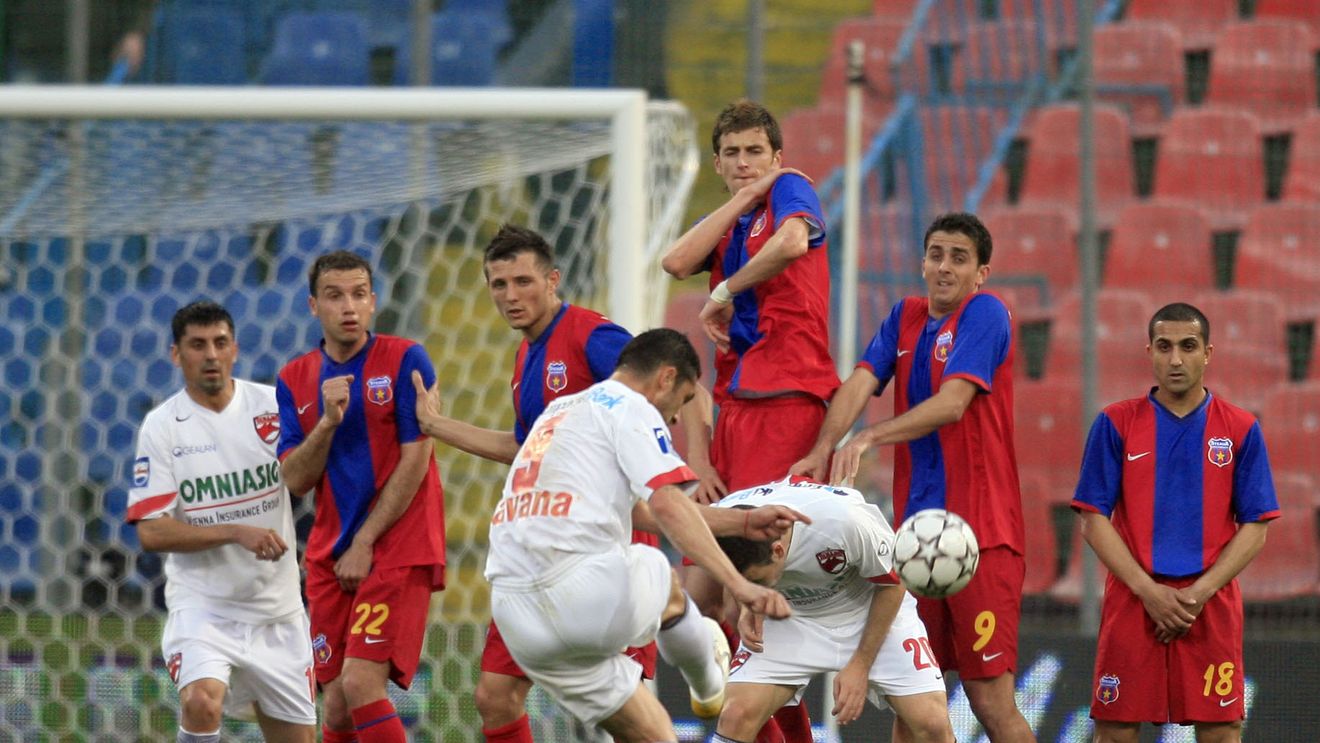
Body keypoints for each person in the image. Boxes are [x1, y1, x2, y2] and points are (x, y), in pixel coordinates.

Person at [410, 224, 722, 743]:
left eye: (524, 281)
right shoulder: (525, 357)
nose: (511, 295)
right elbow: (522, 447)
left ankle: (696, 648)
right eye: (499, 284)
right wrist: (436, 426)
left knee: (623, 716)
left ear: (553, 280)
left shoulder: (590, 336)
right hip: (542, 551)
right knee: (494, 695)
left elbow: (677, 380)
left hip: (605, 545)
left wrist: (699, 464)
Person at [482, 328, 807, 743]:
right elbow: (668, 505)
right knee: (660, 573)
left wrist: (741, 524)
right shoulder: (630, 406)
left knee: (654, 735)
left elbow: (641, 512)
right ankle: (710, 682)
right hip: (579, 591)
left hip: (515, 615)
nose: (675, 418)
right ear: (666, 377)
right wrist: (739, 585)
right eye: (683, 400)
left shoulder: (559, 411)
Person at [791, 212, 1036, 741]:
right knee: (913, 699)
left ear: (981, 273)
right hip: (914, 541)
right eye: (936, 255)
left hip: (979, 538)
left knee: (990, 701)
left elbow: (952, 403)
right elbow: (861, 380)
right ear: (923, 262)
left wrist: (868, 437)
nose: (944, 267)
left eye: (959, 258)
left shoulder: (986, 313)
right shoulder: (904, 316)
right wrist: (822, 448)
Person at [660, 98, 839, 743]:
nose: (743, 162)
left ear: (777, 157)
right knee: (700, 597)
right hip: (735, 412)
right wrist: (700, 458)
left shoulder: (792, 192)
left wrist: (724, 291)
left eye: (754, 152)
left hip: (785, 403)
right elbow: (674, 261)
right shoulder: (734, 220)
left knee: (749, 597)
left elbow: (792, 242)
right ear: (717, 163)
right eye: (732, 154)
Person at [1071, 303, 1279, 743]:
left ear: (1208, 353)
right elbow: (1092, 519)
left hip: (1209, 603)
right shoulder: (1115, 423)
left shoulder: (1241, 428)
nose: (1176, 359)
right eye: (1164, 347)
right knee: (1114, 732)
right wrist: (1149, 593)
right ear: (1149, 352)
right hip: (1133, 600)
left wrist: (1197, 594)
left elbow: (1256, 527)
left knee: (1221, 732)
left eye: (1188, 346)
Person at [125, 301, 315, 743]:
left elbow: (314, 475)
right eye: (197, 345)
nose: (211, 354)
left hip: (278, 613)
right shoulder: (163, 427)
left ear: (235, 349)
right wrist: (234, 531)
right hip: (204, 609)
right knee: (201, 702)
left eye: (220, 342)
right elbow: (151, 530)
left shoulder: (272, 406)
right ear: (176, 354)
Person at [277, 251, 445, 743]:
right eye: (334, 296)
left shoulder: (407, 359)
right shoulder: (294, 379)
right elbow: (295, 479)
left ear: (373, 301)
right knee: (336, 708)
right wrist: (328, 421)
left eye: (358, 294)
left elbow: (416, 458)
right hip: (331, 554)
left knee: (359, 683)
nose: (348, 306)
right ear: (314, 305)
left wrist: (366, 541)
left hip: (397, 544)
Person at [711, 478, 955, 743]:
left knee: (932, 724)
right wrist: (748, 602)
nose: (748, 585)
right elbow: (725, 569)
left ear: (778, 550)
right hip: (789, 614)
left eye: (756, 579)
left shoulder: (843, 522)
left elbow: (894, 583)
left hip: (868, 609)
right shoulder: (719, 519)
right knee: (736, 715)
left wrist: (861, 664)